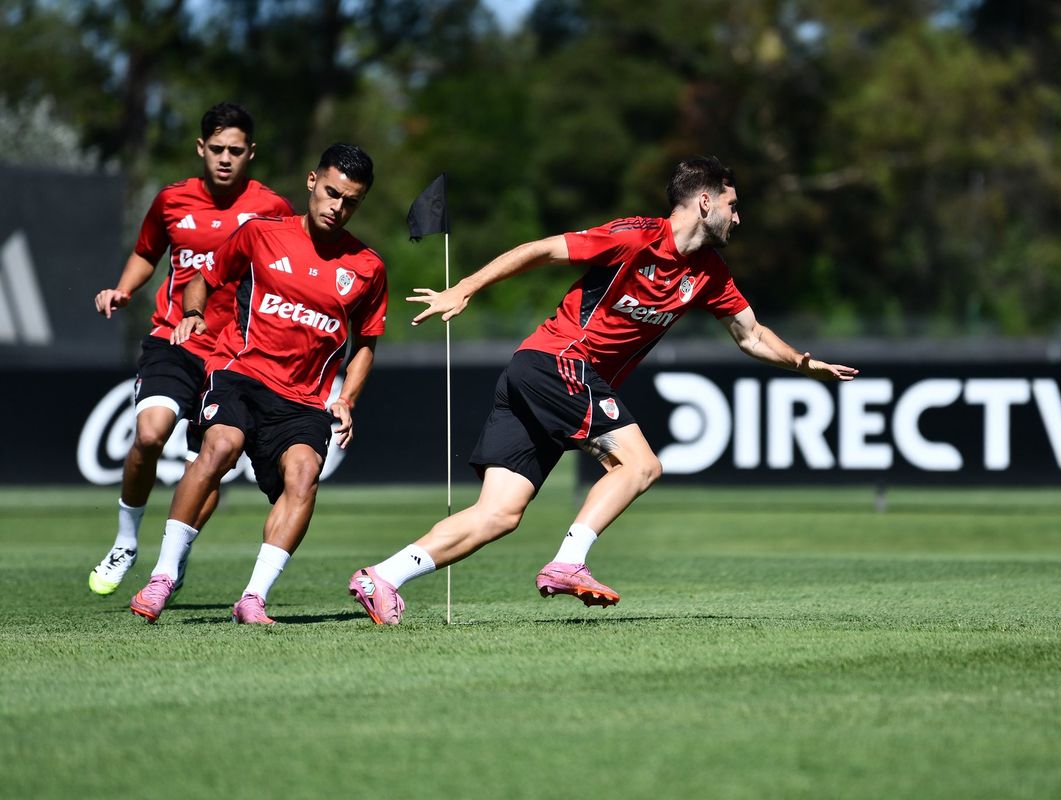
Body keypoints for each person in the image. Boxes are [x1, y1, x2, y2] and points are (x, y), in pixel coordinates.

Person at [347, 156, 858, 625]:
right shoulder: (636, 237)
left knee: (498, 513)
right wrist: (465, 289)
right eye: (732, 205)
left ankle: (383, 577)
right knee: (641, 465)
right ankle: (569, 562)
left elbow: (752, 335)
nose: (737, 217)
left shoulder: (709, 273)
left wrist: (803, 363)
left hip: (540, 374)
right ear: (705, 203)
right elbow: (542, 249)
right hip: (557, 362)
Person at [128, 143, 387, 624]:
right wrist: (192, 314)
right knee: (221, 445)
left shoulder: (367, 266)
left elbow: (366, 343)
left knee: (304, 475)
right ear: (312, 182)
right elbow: (203, 277)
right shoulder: (261, 234)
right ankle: (163, 575)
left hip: (305, 398)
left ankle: (253, 598)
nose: (338, 207)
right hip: (240, 373)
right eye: (331, 193)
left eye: (350, 200)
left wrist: (347, 397)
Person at [89, 102, 293, 596]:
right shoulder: (171, 200)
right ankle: (125, 541)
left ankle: (172, 561)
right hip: (174, 339)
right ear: (201, 148)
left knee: (210, 467)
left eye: (236, 151)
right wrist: (123, 289)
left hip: (233, 357)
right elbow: (147, 252)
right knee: (149, 434)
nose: (225, 159)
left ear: (251, 153)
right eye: (217, 149)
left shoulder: (272, 208)